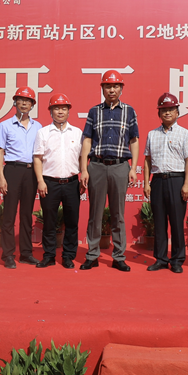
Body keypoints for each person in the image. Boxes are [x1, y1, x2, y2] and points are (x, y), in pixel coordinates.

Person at [80, 70, 139, 272]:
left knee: (118, 214)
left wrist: (133, 167)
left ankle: (119, 256)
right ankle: (92, 255)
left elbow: (134, 140)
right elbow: (87, 140)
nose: (111, 90)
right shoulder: (94, 112)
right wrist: (84, 169)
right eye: (108, 86)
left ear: (121, 88)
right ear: (102, 88)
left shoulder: (129, 111)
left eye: (115, 86)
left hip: (120, 166)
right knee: (95, 213)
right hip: (97, 166)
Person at [143, 92, 188, 273]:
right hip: (158, 181)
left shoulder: (185, 134)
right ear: (159, 113)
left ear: (177, 112)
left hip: (176, 180)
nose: (167, 113)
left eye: (171, 109)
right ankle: (160, 259)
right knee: (159, 223)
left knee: (176, 222)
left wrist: (187, 184)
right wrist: (146, 183)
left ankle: (177, 260)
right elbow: (147, 160)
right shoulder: (152, 134)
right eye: (164, 110)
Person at [33, 93, 83, 269]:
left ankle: (68, 256)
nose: (60, 111)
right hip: (49, 183)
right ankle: (49, 256)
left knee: (72, 221)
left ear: (69, 111)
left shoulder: (77, 133)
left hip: (72, 183)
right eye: (56, 108)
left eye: (63, 108)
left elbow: (82, 157)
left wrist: (83, 175)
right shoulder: (43, 132)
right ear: (50, 111)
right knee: (49, 221)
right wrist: (40, 181)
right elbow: (37, 158)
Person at [0, 86, 43, 269]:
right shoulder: (5, 125)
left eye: (28, 101)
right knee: (9, 215)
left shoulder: (38, 127)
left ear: (32, 105)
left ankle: (26, 253)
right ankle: (8, 254)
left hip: (31, 172)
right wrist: (1, 177)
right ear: (15, 102)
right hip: (12, 170)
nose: (24, 103)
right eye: (21, 100)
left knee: (26, 215)